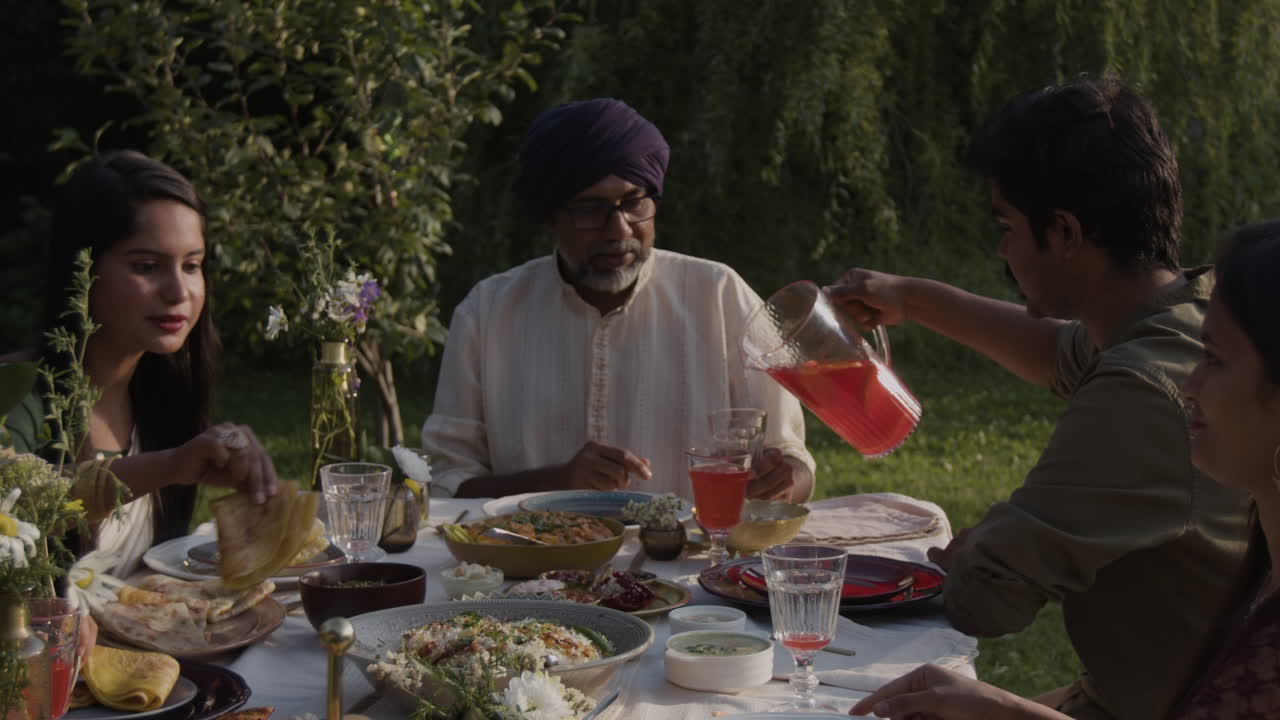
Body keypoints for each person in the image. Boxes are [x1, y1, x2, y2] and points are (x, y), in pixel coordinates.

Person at [828, 76, 1252, 720]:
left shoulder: (1142, 391)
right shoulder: (1187, 317)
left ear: (1064, 233)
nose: (1001, 248)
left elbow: (987, 600)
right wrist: (911, 298)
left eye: (1006, 226)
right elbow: (1055, 350)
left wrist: (977, 547)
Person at [420, 98, 816, 501]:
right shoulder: (488, 312)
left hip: (696, 561)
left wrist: (782, 481)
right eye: (590, 209)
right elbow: (448, 481)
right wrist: (558, 483)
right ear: (552, 217)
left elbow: (791, 458)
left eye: (633, 203)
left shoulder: (719, 295)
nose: (618, 229)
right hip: (524, 561)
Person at [2, 150, 278, 578]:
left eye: (192, 265)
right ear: (83, 270)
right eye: (147, 266)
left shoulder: (163, 395)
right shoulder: (18, 395)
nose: (178, 291)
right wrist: (169, 466)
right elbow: (18, 506)